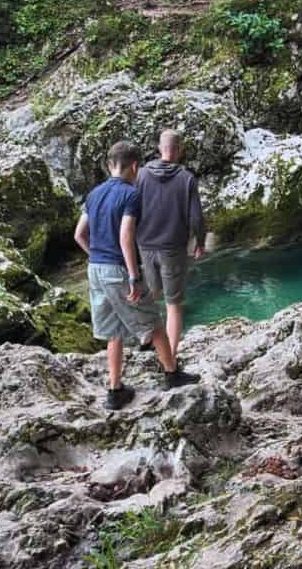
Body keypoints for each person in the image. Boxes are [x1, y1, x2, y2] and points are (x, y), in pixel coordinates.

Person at [73, 140, 180, 411]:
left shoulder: (93, 194)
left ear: (110, 165)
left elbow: (79, 234)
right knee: (154, 323)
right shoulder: (130, 194)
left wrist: (95, 256)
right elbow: (126, 235)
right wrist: (133, 274)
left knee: (113, 332)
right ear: (135, 166)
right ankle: (172, 376)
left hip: (95, 269)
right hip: (118, 269)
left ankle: (115, 390)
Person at [135, 129, 205, 387]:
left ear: (159, 148)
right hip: (173, 248)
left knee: (151, 295)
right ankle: (171, 365)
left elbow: (131, 209)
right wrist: (200, 241)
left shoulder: (140, 174)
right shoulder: (186, 178)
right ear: (179, 149)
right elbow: (196, 217)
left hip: (145, 246)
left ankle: (146, 339)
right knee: (173, 306)